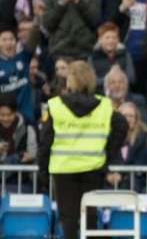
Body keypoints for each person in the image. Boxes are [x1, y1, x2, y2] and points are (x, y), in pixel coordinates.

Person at [37, 61, 127, 239]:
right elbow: (122, 126)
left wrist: (42, 171)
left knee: (68, 219)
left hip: (63, 170)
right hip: (93, 168)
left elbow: (45, 143)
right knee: (90, 217)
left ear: (70, 80)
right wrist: (108, 153)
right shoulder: (104, 105)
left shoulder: (55, 106)